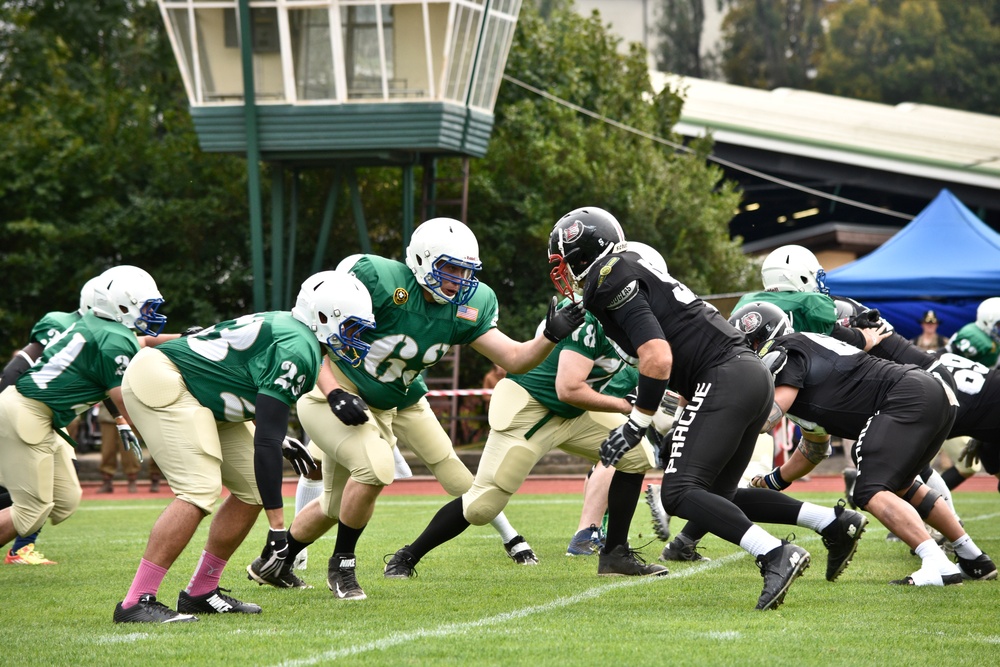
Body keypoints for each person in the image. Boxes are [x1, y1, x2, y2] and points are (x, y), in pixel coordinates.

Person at [545, 207, 867, 610]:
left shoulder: (611, 277)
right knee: (721, 494)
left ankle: (773, 554)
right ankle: (832, 524)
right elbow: (680, 352)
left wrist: (637, 422)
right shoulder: (630, 268)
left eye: (566, 263)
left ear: (582, 255)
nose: (565, 275)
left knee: (679, 493)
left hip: (726, 376)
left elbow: (658, 358)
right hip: (744, 377)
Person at [247, 218, 584, 601]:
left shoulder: (470, 305)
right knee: (375, 469)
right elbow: (311, 331)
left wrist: (550, 335)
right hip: (338, 393)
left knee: (335, 504)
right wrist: (334, 390)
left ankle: (275, 561)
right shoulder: (377, 279)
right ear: (422, 261)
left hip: (397, 399)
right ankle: (342, 564)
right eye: (450, 268)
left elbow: (515, 358)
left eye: (466, 271)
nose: (460, 280)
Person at [113, 270, 375, 623]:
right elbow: (264, 440)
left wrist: (277, 437)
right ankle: (136, 601)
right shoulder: (297, 345)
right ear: (324, 318)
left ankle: (201, 591)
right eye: (353, 328)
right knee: (198, 490)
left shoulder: (300, 338)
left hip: (202, 393)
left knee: (251, 490)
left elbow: (239, 378)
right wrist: (278, 526)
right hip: (163, 377)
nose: (357, 338)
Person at [382, 292, 660, 579]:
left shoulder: (635, 325)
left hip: (574, 414)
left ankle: (615, 555)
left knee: (636, 455)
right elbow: (570, 388)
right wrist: (628, 406)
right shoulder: (585, 315)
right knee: (482, 505)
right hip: (532, 407)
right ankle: (406, 556)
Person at [734, 301, 996, 585]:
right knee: (903, 485)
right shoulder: (805, 358)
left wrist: (727, 421)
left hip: (905, 396)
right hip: (928, 394)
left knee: (870, 489)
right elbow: (813, 449)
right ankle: (973, 557)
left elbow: (772, 414)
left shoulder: (786, 350)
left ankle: (937, 563)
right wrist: (773, 481)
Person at [0, 266, 166, 568]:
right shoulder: (114, 339)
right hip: (26, 411)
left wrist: (187, 339)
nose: (150, 312)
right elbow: (126, 398)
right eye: (145, 305)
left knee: (65, 500)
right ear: (120, 305)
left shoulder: (97, 325)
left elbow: (139, 344)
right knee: (31, 509)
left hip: (43, 417)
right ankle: (18, 545)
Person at [96, 402, 141, 493]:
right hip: (107, 411)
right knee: (107, 450)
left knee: (129, 451)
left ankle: (132, 479)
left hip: (128, 411)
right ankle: (107, 480)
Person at [945, 297, 1000, 368]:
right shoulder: (973, 336)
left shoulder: (992, 338)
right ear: (986, 322)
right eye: (999, 325)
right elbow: (943, 356)